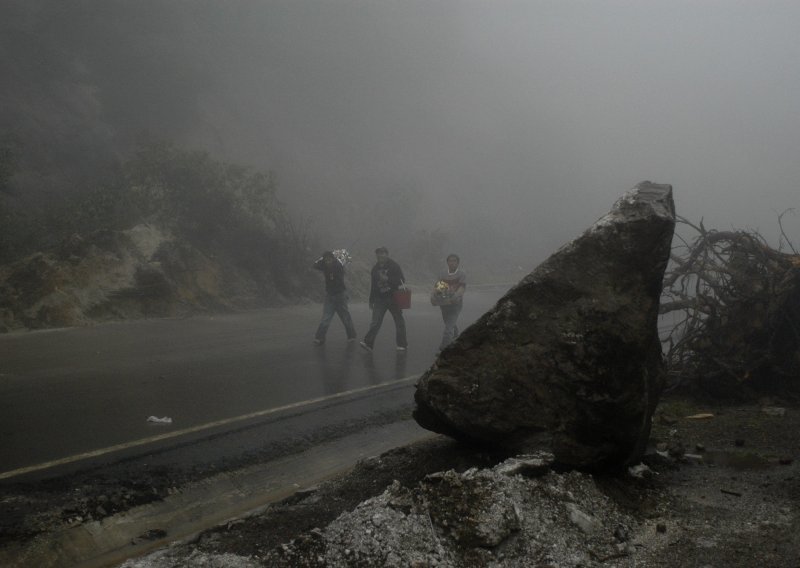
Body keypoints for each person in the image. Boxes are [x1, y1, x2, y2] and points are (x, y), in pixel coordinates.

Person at [360, 246, 408, 352]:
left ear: (387, 254)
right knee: (375, 322)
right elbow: (373, 285)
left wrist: (388, 279)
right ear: (376, 255)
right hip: (379, 299)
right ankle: (368, 343)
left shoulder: (394, 266)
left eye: (383, 253)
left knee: (399, 321)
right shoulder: (375, 269)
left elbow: (401, 281)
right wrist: (371, 299)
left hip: (394, 298)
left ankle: (402, 344)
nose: (381, 255)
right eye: (379, 253)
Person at [313, 250, 357, 345]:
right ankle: (320, 338)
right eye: (326, 260)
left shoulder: (338, 266)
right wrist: (322, 259)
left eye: (329, 260)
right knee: (326, 318)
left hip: (340, 295)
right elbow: (315, 265)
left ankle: (351, 335)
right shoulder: (324, 265)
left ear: (333, 259)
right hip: (330, 295)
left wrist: (332, 261)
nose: (328, 262)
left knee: (345, 317)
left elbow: (337, 266)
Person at [431, 253, 466, 351]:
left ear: (458, 263)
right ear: (447, 262)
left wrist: (455, 296)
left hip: (456, 304)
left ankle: (444, 348)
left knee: (448, 328)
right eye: (450, 261)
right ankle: (455, 334)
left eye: (454, 261)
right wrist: (433, 296)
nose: (452, 263)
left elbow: (462, 288)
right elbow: (437, 287)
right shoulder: (442, 274)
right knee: (448, 323)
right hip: (444, 303)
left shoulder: (461, 274)